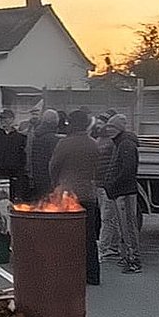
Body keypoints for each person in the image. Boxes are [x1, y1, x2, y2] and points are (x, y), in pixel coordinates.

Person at [50, 109, 101, 285]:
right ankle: (93, 274)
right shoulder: (93, 144)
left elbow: (54, 166)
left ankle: (69, 274)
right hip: (88, 194)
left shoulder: (64, 143)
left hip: (68, 194)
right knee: (89, 236)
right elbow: (97, 168)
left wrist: (56, 184)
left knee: (66, 236)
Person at [103, 113, 142, 274]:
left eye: (112, 127)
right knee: (125, 226)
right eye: (108, 127)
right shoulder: (122, 142)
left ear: (119, 128)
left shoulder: (125, 144)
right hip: (122, 190)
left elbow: (127, 170)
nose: (108, 130)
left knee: (128, 226)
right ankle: (127, 256)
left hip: (124, 192)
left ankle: (133, 260)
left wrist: (112, 184)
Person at [0, 109, 29, 200]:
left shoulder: (19, 137)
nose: (3, 121)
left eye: (5, 118)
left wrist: (20, 174)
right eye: (1, 118)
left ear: (12, 119)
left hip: (13, 176)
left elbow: (22, 156)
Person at [92, 115, 120, 259]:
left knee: (107, 218)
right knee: (109, 217)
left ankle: (104, 248)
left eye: (101, 123)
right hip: (99, 184)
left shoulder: (110, 141)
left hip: (105, 184)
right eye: (97, 123)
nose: (98, 126)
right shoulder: (99, 140)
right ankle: (112, 246)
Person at [26, 109, 61, 200]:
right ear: (53, 121)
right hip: (49, 177)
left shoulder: (36, 135)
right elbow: (56, 160)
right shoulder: (53, 139)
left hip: (37, 175)